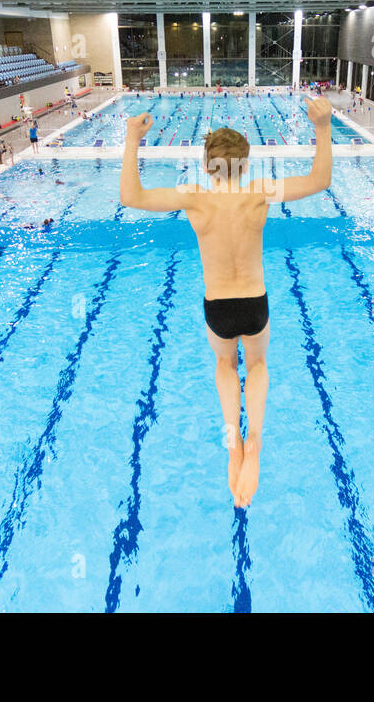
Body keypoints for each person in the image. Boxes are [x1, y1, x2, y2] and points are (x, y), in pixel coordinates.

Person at [120, 96, 333, 509]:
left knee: (225, 364)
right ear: (246, 163)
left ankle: (232, 437)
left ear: (207, 165)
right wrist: (322, 129)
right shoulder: (259, 193)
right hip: (255, 302)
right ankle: (254, 440)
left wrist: (133, 139)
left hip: (217, 306)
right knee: (257, 365)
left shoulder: (195, 198)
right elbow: (319, 180)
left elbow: (131, 196)